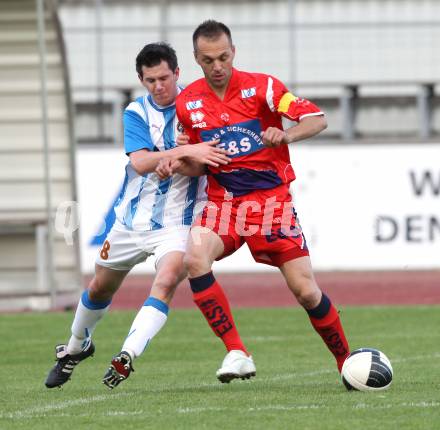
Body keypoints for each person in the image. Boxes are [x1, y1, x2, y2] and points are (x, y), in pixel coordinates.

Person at [159, 20, 350, 383]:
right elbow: (201, 164)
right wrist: (179, 161)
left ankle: (346, 361)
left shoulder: (264, 87)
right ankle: (236, 351)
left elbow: (318, 119)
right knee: (195, 258)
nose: (217, 66)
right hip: (224, 203)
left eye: (223, 57)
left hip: (270, 204)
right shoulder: (188, 103)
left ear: (234, 53)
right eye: (208, 60)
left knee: (306, 291)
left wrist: (286, 134)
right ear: (197, 59)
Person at [44, 42, 230, 390]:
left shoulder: (200, 106)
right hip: (132, 220)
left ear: (177, 73)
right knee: (100, 287)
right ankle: (76, 346)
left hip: (179, 223)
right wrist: (185, 150)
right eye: (150, 80)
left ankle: (127, 355)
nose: (158, 86)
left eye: (164, 78)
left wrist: (181, 160)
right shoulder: (136, 112)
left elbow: (207, 161)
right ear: (141, 80)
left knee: (170, 275)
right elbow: (140, 161)